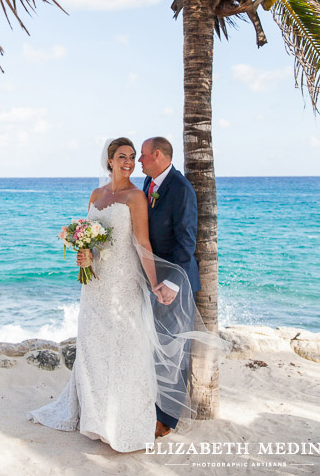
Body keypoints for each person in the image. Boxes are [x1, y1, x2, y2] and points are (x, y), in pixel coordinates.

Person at [28, 137, 206, 452]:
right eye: (123, 156)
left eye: (134, 156)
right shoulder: (96, 195)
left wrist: (154, 283)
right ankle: (95, 418)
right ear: (109, 160)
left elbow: (143, 243)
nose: (130, 162)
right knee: (94, 346)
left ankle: (135, 419)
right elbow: (92, 241)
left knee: (128, 348)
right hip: (95, 284)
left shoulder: (138, 196)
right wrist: (84, 255)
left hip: (124, 282)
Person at [139, 136, 200, 438]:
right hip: (154, 280)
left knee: (174, 349)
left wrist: (173, 283)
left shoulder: (181, 188)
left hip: (175, 283)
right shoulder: (149, 185)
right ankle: (152, 406)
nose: (139, 161)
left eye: (143, 156)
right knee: (155, 346)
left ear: (159, 155)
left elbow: (187, 241)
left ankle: (167, 419)